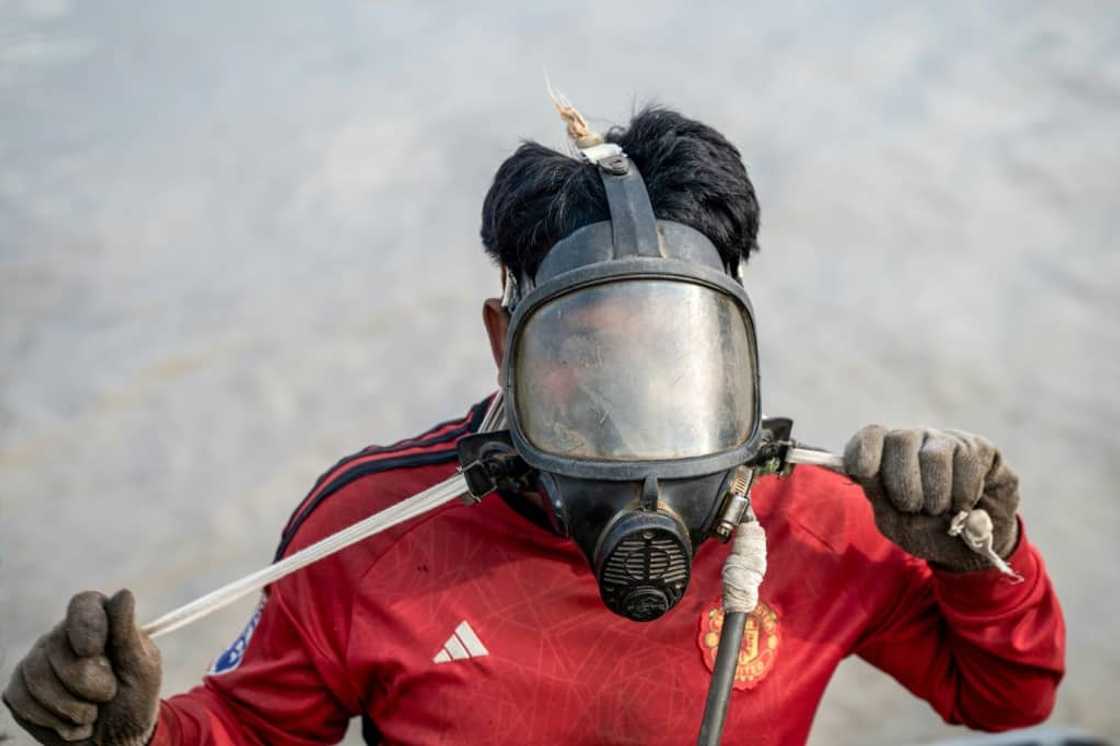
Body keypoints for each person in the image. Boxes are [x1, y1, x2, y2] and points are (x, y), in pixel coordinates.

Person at [3, 105, 1065, 745]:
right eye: (585, 354)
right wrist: (131, 732)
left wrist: (984, 557)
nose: (630, 404)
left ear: (736, 348)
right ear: (501, 340)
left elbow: (1006, 693)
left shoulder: (824, 520)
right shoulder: (373, 528)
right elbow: (252, 724)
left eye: (673, 351)